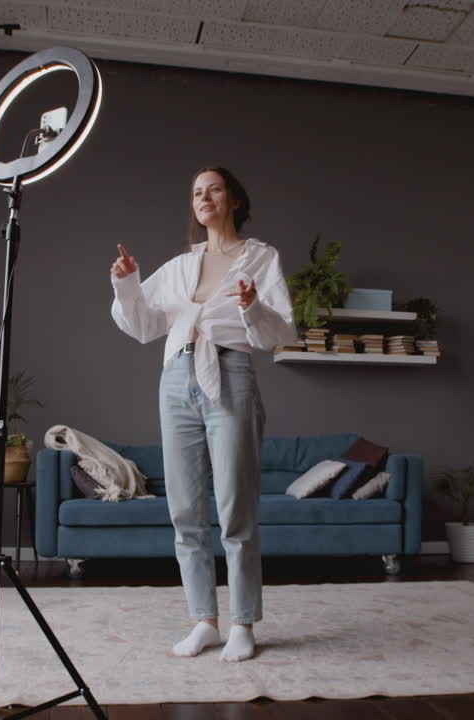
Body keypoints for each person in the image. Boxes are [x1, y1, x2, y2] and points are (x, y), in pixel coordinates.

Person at [109, 167, 297, 662]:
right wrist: (128, 286)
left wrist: (253, 306)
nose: (204, 196)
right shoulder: (179, 265)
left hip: (231, 375)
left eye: (213, 188)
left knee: (236, 509)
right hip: (175, 380)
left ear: (233, 197)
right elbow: (145, 324)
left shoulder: (261, 258)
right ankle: (203, 621)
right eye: (195, 191)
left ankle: (242, 624)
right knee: (185, 512)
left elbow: (280, 332)